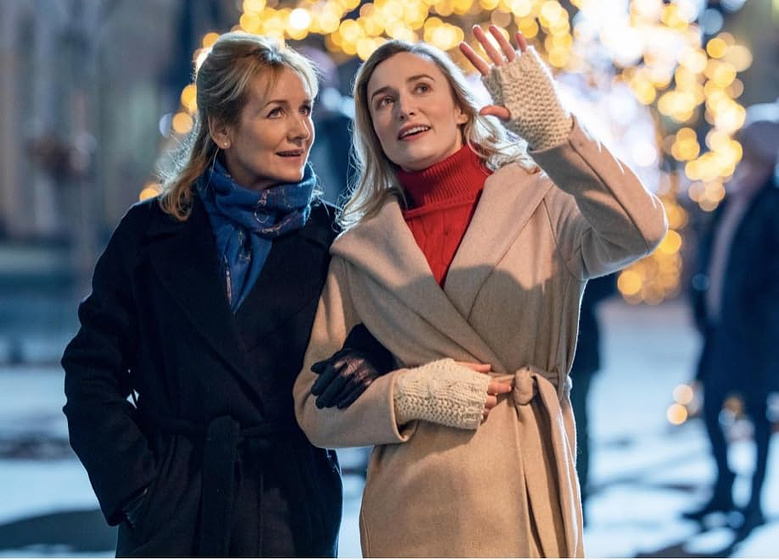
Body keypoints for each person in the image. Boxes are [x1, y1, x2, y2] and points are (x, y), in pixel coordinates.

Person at [294, 25, 667, 557]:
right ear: (373, 129)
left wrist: (556, 133)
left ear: (462, 108)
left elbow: (641, 230)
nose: (404, 108)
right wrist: (405, 395)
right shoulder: (360, 251)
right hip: (411, 514)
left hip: (521, 495)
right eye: (384, 101)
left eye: (422, 88)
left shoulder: (544, 202)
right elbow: (313, 409)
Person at [61, 32, 365, 557]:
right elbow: (91, 371)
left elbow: (381, 334)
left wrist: (368, 356)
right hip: (173, 511)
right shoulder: (150, 233)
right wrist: (138, 489)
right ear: (223, 129)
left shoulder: (332, 241)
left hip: (288, 509)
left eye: (305, 109)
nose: (300, 131)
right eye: (276, 113)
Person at [682, 102, 779, 539]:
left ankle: (754, 503)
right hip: (722, 329)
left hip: (757, 333)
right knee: (711, 406)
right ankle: (725, 488)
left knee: (757, 415)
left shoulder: (773, 203)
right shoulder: (734, 195)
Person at [569, 273, 616, 524]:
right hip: (538, 347)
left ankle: (578, 498)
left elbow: (608, 283)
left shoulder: (582, 235)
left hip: (580, 346)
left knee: (578, 428)